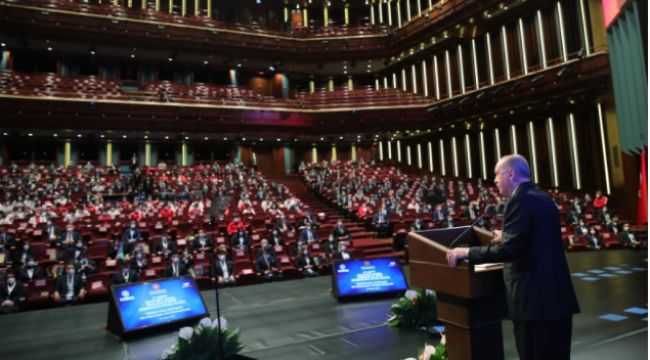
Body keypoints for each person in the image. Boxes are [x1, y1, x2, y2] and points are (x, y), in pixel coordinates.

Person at [446, 155, 579, 360]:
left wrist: (467, 252)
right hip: (557, 300)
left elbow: (508, 251)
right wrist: (506, 236)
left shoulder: (518, 201)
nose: (495, 180)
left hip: (534, 305)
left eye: (497, 174)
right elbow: (535, 239)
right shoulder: (542, 197)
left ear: (511, 173)